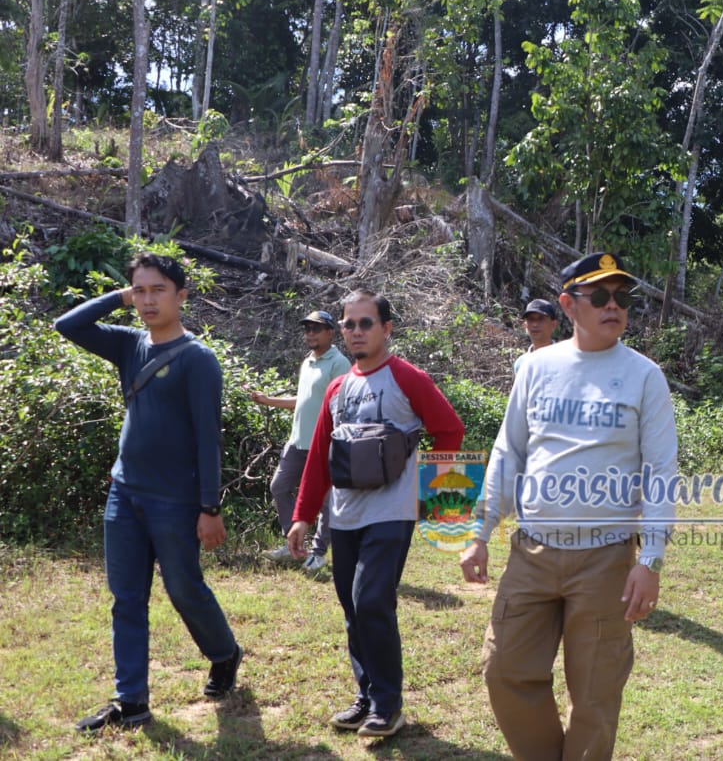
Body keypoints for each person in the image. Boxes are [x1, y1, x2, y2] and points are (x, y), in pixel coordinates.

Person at [459, 252, 678, 761]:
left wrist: (651, 562)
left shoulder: (645, 376)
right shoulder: (537, 367)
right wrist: (480, 533)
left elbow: (661, 472)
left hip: (605, 560)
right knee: (505, 670)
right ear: (568, 304)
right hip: (531, 555)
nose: (613, 306)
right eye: (599, 296)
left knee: (596, 696)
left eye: (622, 297)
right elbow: (508, 451)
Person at [55, 252, 242, 734]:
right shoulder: (128, 344)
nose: (147, 300)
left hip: (175, 501)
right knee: (126, 599)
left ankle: (224, 653)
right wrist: (120, 295)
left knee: (183, 588)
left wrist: (210, 507)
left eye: (158, 290)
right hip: (125, 495)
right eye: (140, 291)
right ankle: (131, 702)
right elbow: (67, 324)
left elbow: (208, 438)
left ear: (182, 296)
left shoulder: (198, 360)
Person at [288, 289, 464, 738]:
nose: (356, 331)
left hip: (391, 512)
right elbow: (319, 457)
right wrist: (303, 515)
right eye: (349, 323)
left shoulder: (408, 378)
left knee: (371, 602)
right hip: (344, 515)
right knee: (352, 607)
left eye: (366, 323)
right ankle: (366, 697)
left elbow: (450, 430)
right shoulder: (336, 387)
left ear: (386, 328)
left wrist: (439, 501)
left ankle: (388, 705)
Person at [250, 310, 350, 572]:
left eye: (316, 328)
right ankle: (293, 543)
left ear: (331, 332)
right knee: (279, 487)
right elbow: (303, 400)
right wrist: (269, 400)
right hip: (297, 442)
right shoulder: (308, 362)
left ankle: (318, 553)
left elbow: (342, 407)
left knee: (328, 502)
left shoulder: (339, 364)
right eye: (307, 329)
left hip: (325, 444)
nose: (310, 333)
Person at [513, 298, 558, 373]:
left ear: (554, 324)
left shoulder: (564, 358)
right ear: (525, 325)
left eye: (541, 319)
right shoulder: (521, 363)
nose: (535, 324)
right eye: (531, 319)